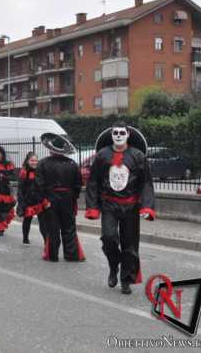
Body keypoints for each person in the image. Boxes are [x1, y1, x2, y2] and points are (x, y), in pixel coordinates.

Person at [85, 123, 155, 295]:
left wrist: (147, 206)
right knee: (108, 238)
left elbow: (146, 182)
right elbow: (93, 182)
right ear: (111, 135)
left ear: (128, 134)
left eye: (121, 132)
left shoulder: (138, 156)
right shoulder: (102, 155)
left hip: (131, 207)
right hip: (109, 204)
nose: (118, 135)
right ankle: (113, 265)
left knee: (130, 245)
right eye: (115, 132)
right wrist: (92, 207)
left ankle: (125, 279)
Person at [36, 133, 85, 263]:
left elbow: (39, 185)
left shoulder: (42, 163)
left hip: (50, 199)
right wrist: (73, 198)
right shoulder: (72, 164)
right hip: (67, 199)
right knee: (69, 228)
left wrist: (44, 200)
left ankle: (53, 256)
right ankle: (71, 255)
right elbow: (78, 184)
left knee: (52, 228)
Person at [16, 152, 48, 245]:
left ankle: (46, 242)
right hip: (28, 202)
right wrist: (21, 203)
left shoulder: (40, 171)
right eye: (32, 160)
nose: (34, 162)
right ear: (27, 161)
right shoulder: (24, 172)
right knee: (27, 220)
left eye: (36, 160)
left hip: (39, 201)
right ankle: (25, 238)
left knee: (43, 223)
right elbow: (20, 189)